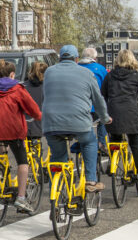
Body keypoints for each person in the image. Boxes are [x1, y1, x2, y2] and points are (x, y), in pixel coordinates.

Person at [42, 45, 111, 192]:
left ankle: (55, 191)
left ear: (60, 58)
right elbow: (98, 99)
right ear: (76, 59)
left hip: (51, 122)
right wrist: (105, 118)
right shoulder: (86, 73)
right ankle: (91, 180)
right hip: (79, 122)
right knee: (90, 142)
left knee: (57, 156)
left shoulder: (49, 72)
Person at [0, 59, 42, 214]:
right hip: (13, 130)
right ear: (12, 74)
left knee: (2, 145)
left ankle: (2, 174)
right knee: (22, 161)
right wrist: (39, 116)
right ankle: (21, 197)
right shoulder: (17, 88)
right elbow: (32, 108)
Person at [102, 49, 138, 186]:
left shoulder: (110, 76)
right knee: (135, 143)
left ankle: (111, 163)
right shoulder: (136, 76)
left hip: (113, 113)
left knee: (115, 139)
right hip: (130, 113)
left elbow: (103, 95)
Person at [78, 47, 109, 152]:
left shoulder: (76, 68)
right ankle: (101, 143)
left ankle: (84, 142)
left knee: (86, 126)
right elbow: (107, 86)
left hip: (80, 107)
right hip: (95, 106)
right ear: (95, 58)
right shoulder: (100, 69)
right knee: (102, 120)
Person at [23, 61, 47, 139]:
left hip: (25, 124)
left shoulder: (23, 87)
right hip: (43, 125)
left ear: (30, 71)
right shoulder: (48, 87)